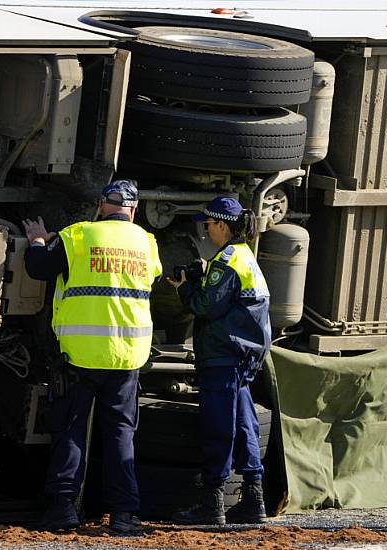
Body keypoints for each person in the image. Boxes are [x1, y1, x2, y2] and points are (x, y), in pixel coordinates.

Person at [22, 179, 162, 534]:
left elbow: (38, 268)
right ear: (133, 209)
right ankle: (124, 515)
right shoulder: (147, 242)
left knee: (69, 429)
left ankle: (63, 509)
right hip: (127, 357)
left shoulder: (78, 235)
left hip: (80, 355)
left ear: (102, 205)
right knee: (120, 435)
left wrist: (38, 240)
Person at [167, 197, 271, 526]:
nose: (206, 229)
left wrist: (185, 288)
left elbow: (205, 306)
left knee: (219, 426)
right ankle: (254, 499)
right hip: (242, 356)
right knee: (244, 424)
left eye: (208, 224)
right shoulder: (244, 257)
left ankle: (213, 502)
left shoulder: (226, 260)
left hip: (223, 356)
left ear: (222, 225)